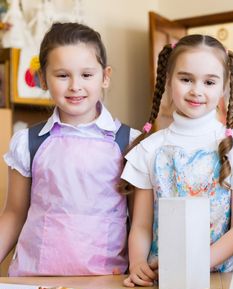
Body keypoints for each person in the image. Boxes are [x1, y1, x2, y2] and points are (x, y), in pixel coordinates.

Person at [121, 34, 233, 287]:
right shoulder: (149, 150)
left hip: (220, 281)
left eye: (209, 82)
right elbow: (142, 225)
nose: (196, 90)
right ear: (168, 81)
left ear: (224, 88)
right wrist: (137, 264)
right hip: (163, 280)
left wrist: (195, 263)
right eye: (186, 79)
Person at [0, 22, 138, 276]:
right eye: (63, 75)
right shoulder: (28, 142)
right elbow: (13, 214)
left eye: (87, 75)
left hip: (106, 282)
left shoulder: (130, 143)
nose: (75, 85)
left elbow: (140, 222)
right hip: (34, 281)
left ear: (105, 77)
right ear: (43, 78)